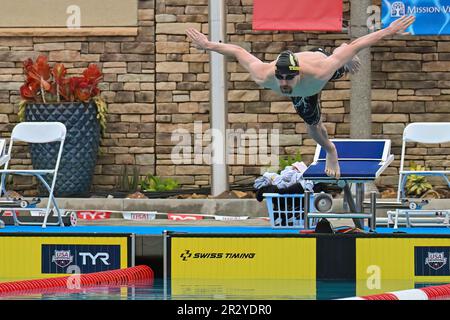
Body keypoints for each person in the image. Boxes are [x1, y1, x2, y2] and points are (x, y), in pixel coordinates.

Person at [186, 15, 415, 179]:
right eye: (281, 78)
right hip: (306, 88)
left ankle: (342, 58)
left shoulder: (318, 72)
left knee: (346, 57)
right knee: (313, 128)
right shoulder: (264, 74)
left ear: (298, 74)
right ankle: (331, 149)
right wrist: (208, 45)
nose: (283, 84)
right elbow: (238, 51)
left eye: (288, 79)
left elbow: (358, 43)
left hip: (320, 62)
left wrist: (388, 30)